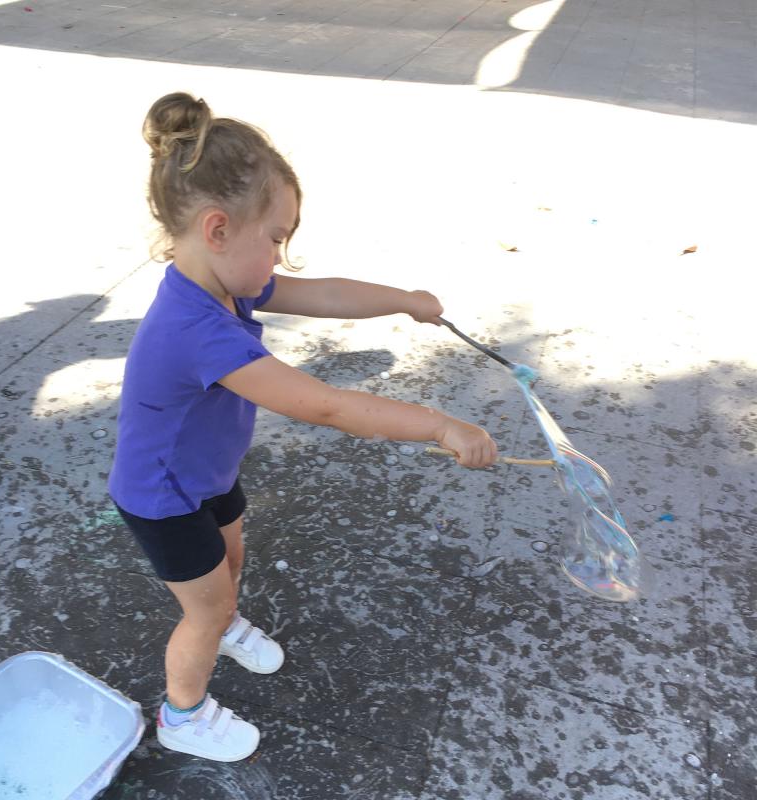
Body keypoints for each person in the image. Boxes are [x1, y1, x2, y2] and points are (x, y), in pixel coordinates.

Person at [108, 91, 498, 764]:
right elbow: (325, 405)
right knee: (200, 609)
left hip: (208, 475)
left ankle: (225, 621)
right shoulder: (196, 329)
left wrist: (402, 302)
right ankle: (183, 713)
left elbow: (324, 294)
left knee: (228, 567)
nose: (283, 258)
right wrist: (438, 425)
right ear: (217, 228)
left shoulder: (224, 282)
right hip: (164, 498)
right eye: (278, 238)